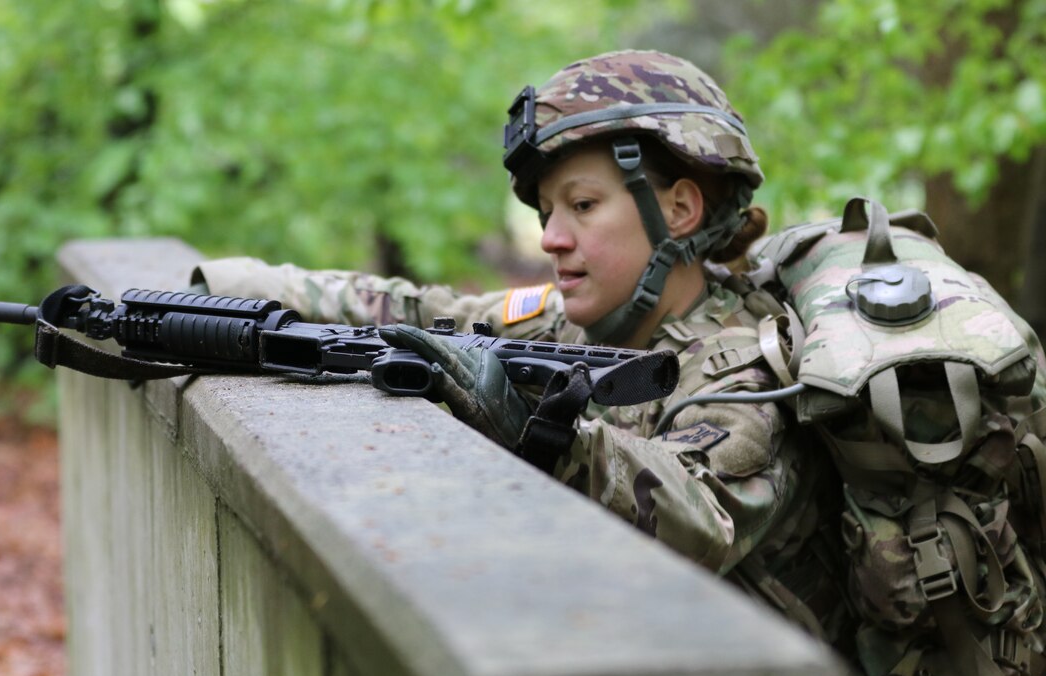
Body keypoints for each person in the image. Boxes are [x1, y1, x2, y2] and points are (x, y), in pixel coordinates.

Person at [191, 49, 845, 640]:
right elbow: (418, 311)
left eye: (582, 205)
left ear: (679, 210)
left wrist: (545, 430)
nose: (551, 239)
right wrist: (225, 286)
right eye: (546, 212)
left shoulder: (748, 363)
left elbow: (699, 515)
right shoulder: (569, 324)